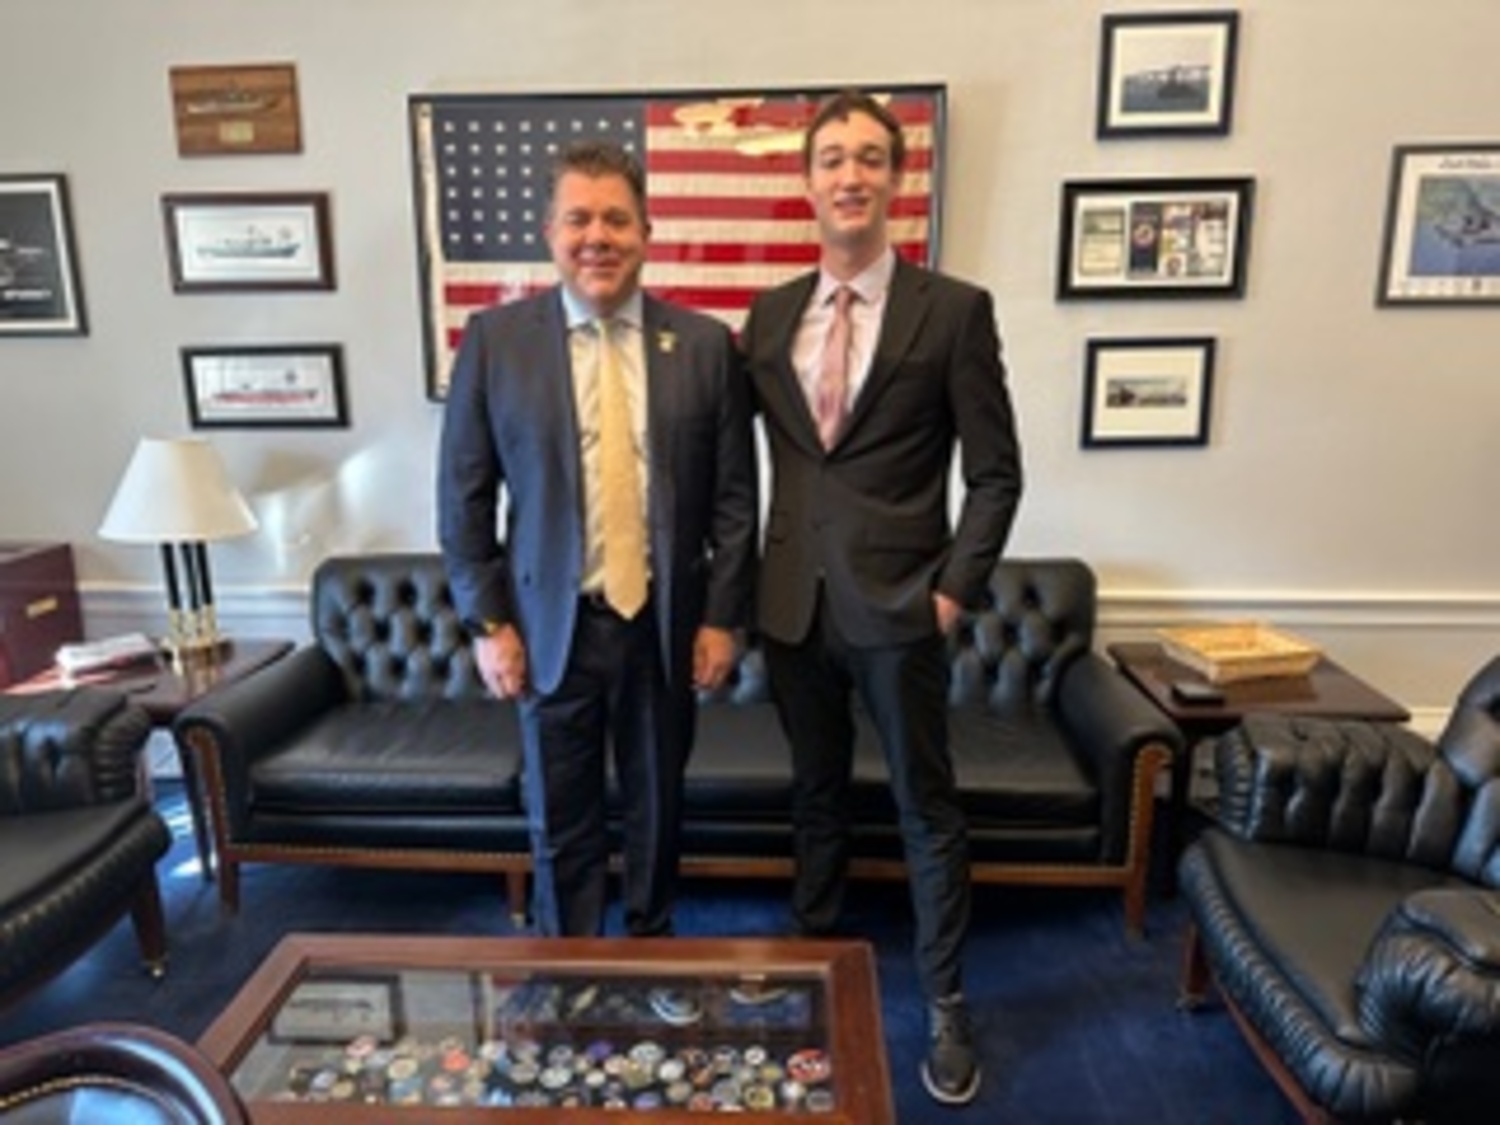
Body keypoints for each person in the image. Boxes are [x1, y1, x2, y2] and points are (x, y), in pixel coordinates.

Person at [739, 90, 1023, 1106]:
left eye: (868, 157)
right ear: (807, 182)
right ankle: (815, 956)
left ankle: (944, 1001)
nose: (848, 175)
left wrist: (951, 593)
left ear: (894, 179)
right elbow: (747, 472)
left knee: (924, 807)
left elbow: (997, 474)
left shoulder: (954, 311)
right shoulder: (768, 319)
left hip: (904, 609)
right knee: (814, 793)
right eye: (830, 158)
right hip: (792, 610)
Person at [438, 140, 757, 940]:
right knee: (561, 819)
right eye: (578, 218)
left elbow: (734, 502)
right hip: (552, 628)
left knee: (659, 810)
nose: (598, 237)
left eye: (617, 218)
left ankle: (652, 953)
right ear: (549, 232)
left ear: (647, 231)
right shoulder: (494, 342)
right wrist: (489, 624)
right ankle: (569, 971)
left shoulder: (707, 347)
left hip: (664, 625)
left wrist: (722, 618)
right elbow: (463, 499)